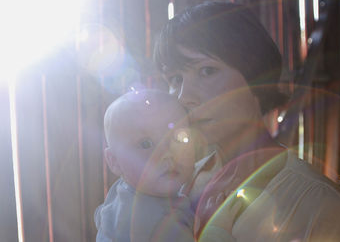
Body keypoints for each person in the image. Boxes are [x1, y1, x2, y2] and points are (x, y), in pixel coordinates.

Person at [153, 1, 340, 241]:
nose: (184, 96)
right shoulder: (179, 182)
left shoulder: (319, 206)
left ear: (258, 78)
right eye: (175, 79)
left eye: (207, 71)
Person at [96, 89, 238, 241]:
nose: (168, 153)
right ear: (114, 161)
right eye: (145, 144)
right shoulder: (157, 225)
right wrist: (216, 227)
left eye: (180, 138)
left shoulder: (122, 193)